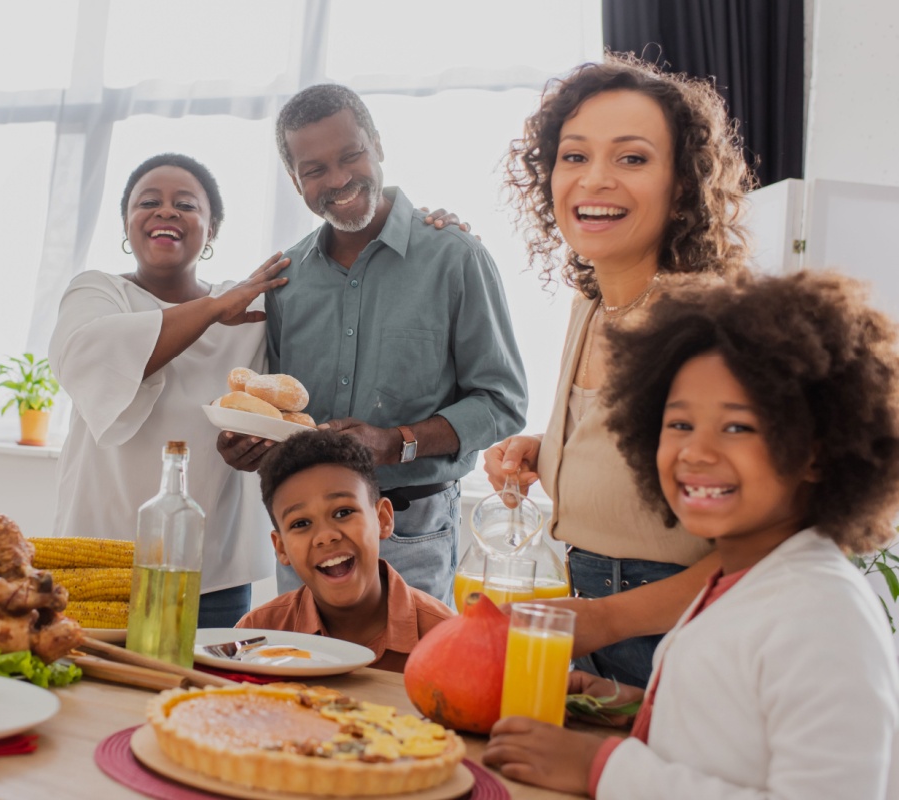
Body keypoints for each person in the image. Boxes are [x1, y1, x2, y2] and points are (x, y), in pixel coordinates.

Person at [484, 270, 899, 799]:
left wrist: (603, 767)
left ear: (817, 452)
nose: (696, 452)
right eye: (678, 425)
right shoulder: (739, 583)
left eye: (737, 427)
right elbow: (738, 733)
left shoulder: (823, 614)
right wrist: (632, 702)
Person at [50, 153, 465, 628]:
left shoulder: (250, 308)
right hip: (98, 556)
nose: (166, 211)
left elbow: (326, 332)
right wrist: (212, 308)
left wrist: (431, 233)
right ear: (127, 224)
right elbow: (92, 356)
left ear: (212, 231)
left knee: (203, 697)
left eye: (186, 204)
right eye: (149, 202)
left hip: (212, 569)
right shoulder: (97, 294)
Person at [482, 55, 753, 687]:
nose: (594, 180)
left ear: (683, 183)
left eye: (632, 158)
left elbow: (764, 545)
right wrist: (546, 451)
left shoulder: (710, 326)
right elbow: (637, 466)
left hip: (680, 639)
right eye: (574, 157)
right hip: (585, 616)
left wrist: (605, 621)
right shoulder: (590, 309)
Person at [220, 84, 528, 607]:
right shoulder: (286, 281)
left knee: (404, 686)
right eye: (314, 170)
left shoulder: (455, 258)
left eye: (350, 155)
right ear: (296, 183)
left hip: (413, 533)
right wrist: (250, 444)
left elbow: (503, 403)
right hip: (306, 540)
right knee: (302, 678)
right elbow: (282, 410)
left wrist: (398, 440)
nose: (338, 180)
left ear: (378, 145)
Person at [237, 429, 453, 672]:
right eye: (301, 524)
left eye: (343, 512)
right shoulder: (257, 634)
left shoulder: (447, 640)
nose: (326, 535)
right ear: (281, 547)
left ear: (382, 518)